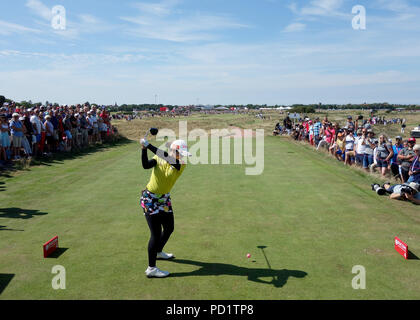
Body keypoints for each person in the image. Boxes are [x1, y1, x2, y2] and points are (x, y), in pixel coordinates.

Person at [140, 137, 191, 278]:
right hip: (150, 199)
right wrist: (144, 150)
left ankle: (158, 252)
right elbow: (145, 165)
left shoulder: (180, 163)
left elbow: (167, 157)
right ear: (174, 151)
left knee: (169, 228)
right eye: (181, 153)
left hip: (164, 199)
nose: (183, 157)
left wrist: (148, 144)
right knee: (155, 234)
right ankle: (151, 268)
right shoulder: (159, 157)